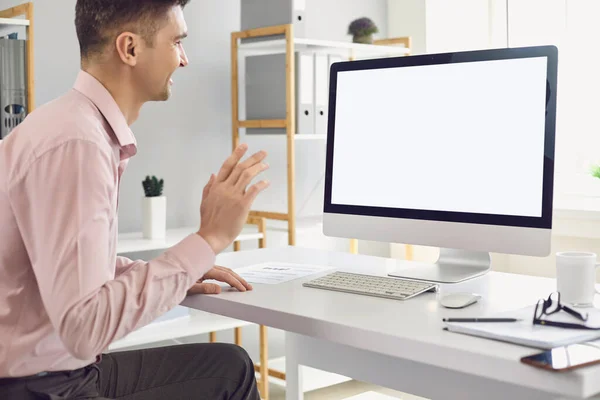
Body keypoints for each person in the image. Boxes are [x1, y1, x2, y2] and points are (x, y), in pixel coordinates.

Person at [0, 0, 269, 398]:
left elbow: (66, 268)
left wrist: (176, 276)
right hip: (43, 387)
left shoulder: (69, 123)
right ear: (130, 49)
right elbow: (85, 328)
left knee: (230, 367)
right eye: (177, 42)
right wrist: (208, 239)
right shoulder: (78, 144)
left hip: (51, 374)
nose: (184, 60)